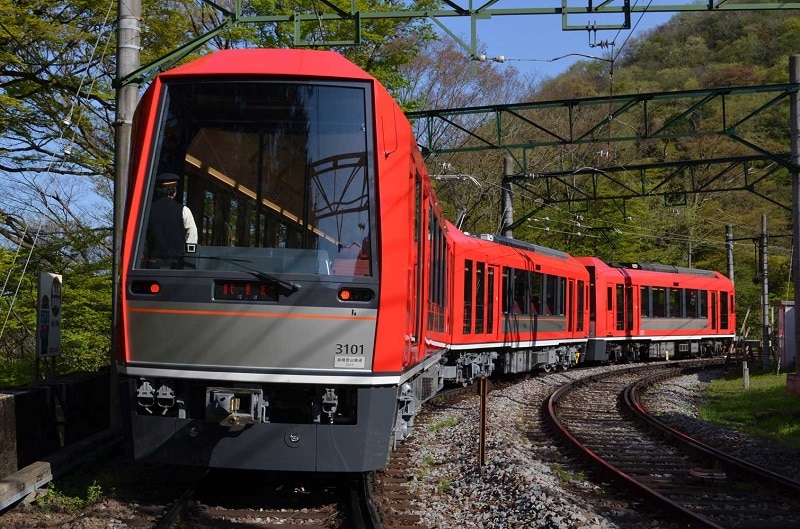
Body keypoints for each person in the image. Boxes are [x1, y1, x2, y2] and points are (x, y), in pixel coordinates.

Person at [145, 173, 198, 266]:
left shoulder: (148, 210)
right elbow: (192, 233)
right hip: (176, 263)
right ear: (174, 191)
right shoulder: (183, 210)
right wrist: (189, 254)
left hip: (153, 262)